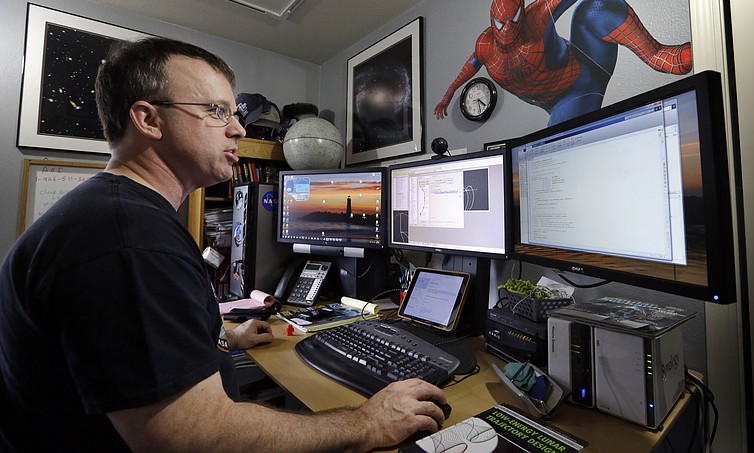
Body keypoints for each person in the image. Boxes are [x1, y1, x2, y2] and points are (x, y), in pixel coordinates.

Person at [0, 37, 447, 451]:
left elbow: (123, 356)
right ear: (148, 119)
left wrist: (223, 340)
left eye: (236, 114)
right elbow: (193, 438)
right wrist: (366, 424)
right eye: (216, 110)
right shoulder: (130, 238)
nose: (238, 129)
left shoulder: (116, 215)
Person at [434, 0, 692, 127]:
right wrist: (447, 96)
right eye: (501, 24)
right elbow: (470, 67)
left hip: (586, 66)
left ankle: (658, 54)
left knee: (592, 6)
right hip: (564, 102)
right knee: (554, 145)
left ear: (522, 15)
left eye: (513, 20)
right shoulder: (485, 46)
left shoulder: (537, 18)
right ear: (492, 22)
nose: (508, 30)